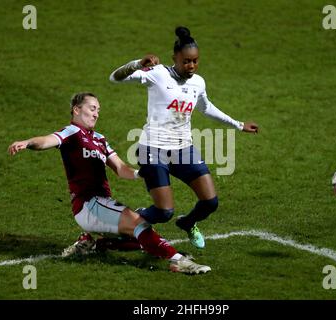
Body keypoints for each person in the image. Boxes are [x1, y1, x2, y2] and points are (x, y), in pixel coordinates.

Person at [8, 92, 211, 274]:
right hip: (89, 203)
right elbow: (46, 141)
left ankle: (95, 244)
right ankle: (179, 261)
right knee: (140, 225)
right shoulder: (71, 132)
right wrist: (27, 143)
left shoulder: (100, 139)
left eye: (98, 110)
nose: (96, 114)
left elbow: (121, 169)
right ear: (77, 109)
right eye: (92, 108)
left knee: (141, 236)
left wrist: (142, 173)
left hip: (101, 204)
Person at [109, 26, 258, 249]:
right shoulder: (157, 74)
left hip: (183, 149)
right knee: (164, 211)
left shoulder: (198, 83)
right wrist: (138, 63)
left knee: (210, 202)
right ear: (174, 58)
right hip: (153, 149)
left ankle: (188, 223)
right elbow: (115, 78)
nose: (191, 66)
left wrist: (238, 125)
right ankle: (133, 218)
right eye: (186, 61)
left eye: (195, 61)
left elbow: (207, 108)